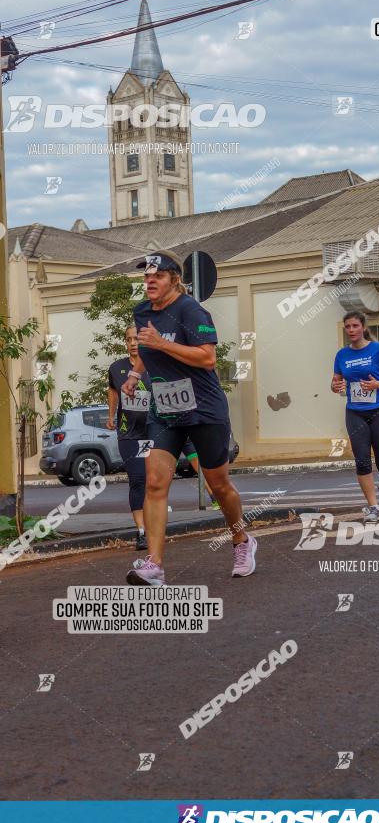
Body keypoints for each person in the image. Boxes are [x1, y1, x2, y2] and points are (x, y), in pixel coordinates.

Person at [120, 250, 257, 585]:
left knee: (219, 485)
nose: (150, 281)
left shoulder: (191, 310)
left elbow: (207, 358)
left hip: (204, 409)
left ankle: (242, 540)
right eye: (146, 277)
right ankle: (154, 565)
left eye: (158, 276)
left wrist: (162, 346)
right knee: (154, 482)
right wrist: (136, 375)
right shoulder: (142, 312)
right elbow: (147, 349)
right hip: (166, 410)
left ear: (174, 279)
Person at [331, 310, 379, 523]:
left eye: (355, 326)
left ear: (363, 327)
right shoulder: (342, 355)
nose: (351, 330)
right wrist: (335, 386)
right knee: (362, 461)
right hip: (355, 412)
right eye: (348, 327)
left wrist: (377, 384)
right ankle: (373, 507)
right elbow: (335, 382)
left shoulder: (377, 349)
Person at [107, 326, 151, 550]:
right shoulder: (116, 368)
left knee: (152, 481)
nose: (133, 343)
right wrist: (111, 415)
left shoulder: (154, 365)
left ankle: (153, 525)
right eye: (129, 339)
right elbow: (113, 391)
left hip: (152, 433)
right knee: (138, 479)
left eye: (136, 339)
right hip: (128, 434)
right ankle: (141, 532)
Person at [182, 440, 220, 510]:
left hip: (186, 440)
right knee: (167, 470)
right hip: (171, 437)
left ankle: (215, 499)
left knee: (200, 471)